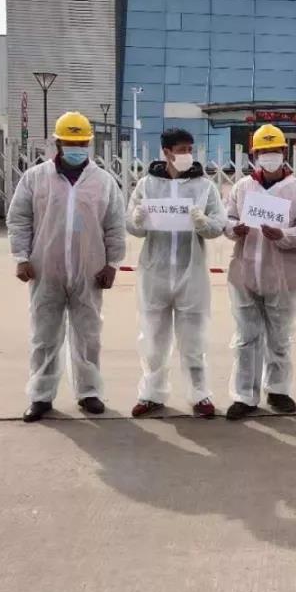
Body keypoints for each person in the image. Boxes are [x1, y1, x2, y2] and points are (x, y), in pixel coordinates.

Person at [7, 112, 126, 422]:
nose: (77, 148)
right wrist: (21, 257)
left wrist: (113, 263)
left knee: (88, 335)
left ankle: (89, 392)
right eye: (71, 142)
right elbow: (19, 218)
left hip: (90, 270)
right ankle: (41, 395)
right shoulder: (35, 178)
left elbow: (115, 224)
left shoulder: (103, 181)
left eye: (82, 143)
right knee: (44, 335)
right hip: (45, 268)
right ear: (57, 143)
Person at [126, 128, 226, 419]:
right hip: (155, 273)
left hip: (190, 272)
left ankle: (200, 394)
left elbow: (218, 225)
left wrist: (203, 223)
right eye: (181, 150)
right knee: (153, 340)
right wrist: (137, 219)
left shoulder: (204, 187)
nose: (187, 155)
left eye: (190, 149)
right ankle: (151, 394)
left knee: (193, 341)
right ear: (166, 152)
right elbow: (132, 225)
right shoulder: (147, 185)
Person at [223, 124, 296, 420]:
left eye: (274, 150)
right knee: (246, 338)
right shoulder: (242, 187)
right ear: (254, 155)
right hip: (245, 273)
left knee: (279, 338)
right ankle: (244, 395)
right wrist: (233, 229)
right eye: (264, 151)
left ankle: (277, 390)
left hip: (283, 276)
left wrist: (283, 235)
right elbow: (227, 219)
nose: (269, 156)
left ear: (284, 152)